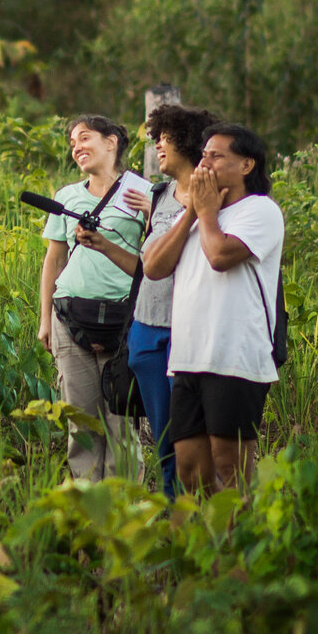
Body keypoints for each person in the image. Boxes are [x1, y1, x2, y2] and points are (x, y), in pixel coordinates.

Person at [140, 122, 284, 495]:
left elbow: (219, 255)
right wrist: (190, 214)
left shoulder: (261, 211)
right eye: (203, 154)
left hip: (233, 358)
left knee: (231, 470)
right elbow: (153, 267)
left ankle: (245, 546)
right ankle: (213, 548)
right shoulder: (195, 214)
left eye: (217, 156)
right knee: (191, 471)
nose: (205, 162)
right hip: (187, 358)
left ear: (247, 165)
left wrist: (204, 213)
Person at [35, 113, 156, 480]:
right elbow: (53, 259)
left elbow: (157, 258)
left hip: (125, 322)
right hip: (70, 317)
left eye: (84, 139)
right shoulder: (66, 196)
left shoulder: (144, 191)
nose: (77, 148)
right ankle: (87, 512)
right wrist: (44, 319)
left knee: (124, 424)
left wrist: (152, 214)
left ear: (111, 142)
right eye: (73, 144)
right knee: (81, 423)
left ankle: (124, 515)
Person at [124, 103, 219, 495]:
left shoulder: (218, 193)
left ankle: (194, 517)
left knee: (189, 437)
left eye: (164, 138)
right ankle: (171, 515)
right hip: (148, 327)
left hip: (189, 329)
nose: (158, 146)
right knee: (162, 436)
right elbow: (149, 259)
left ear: (187, 141)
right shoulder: (160, 194)